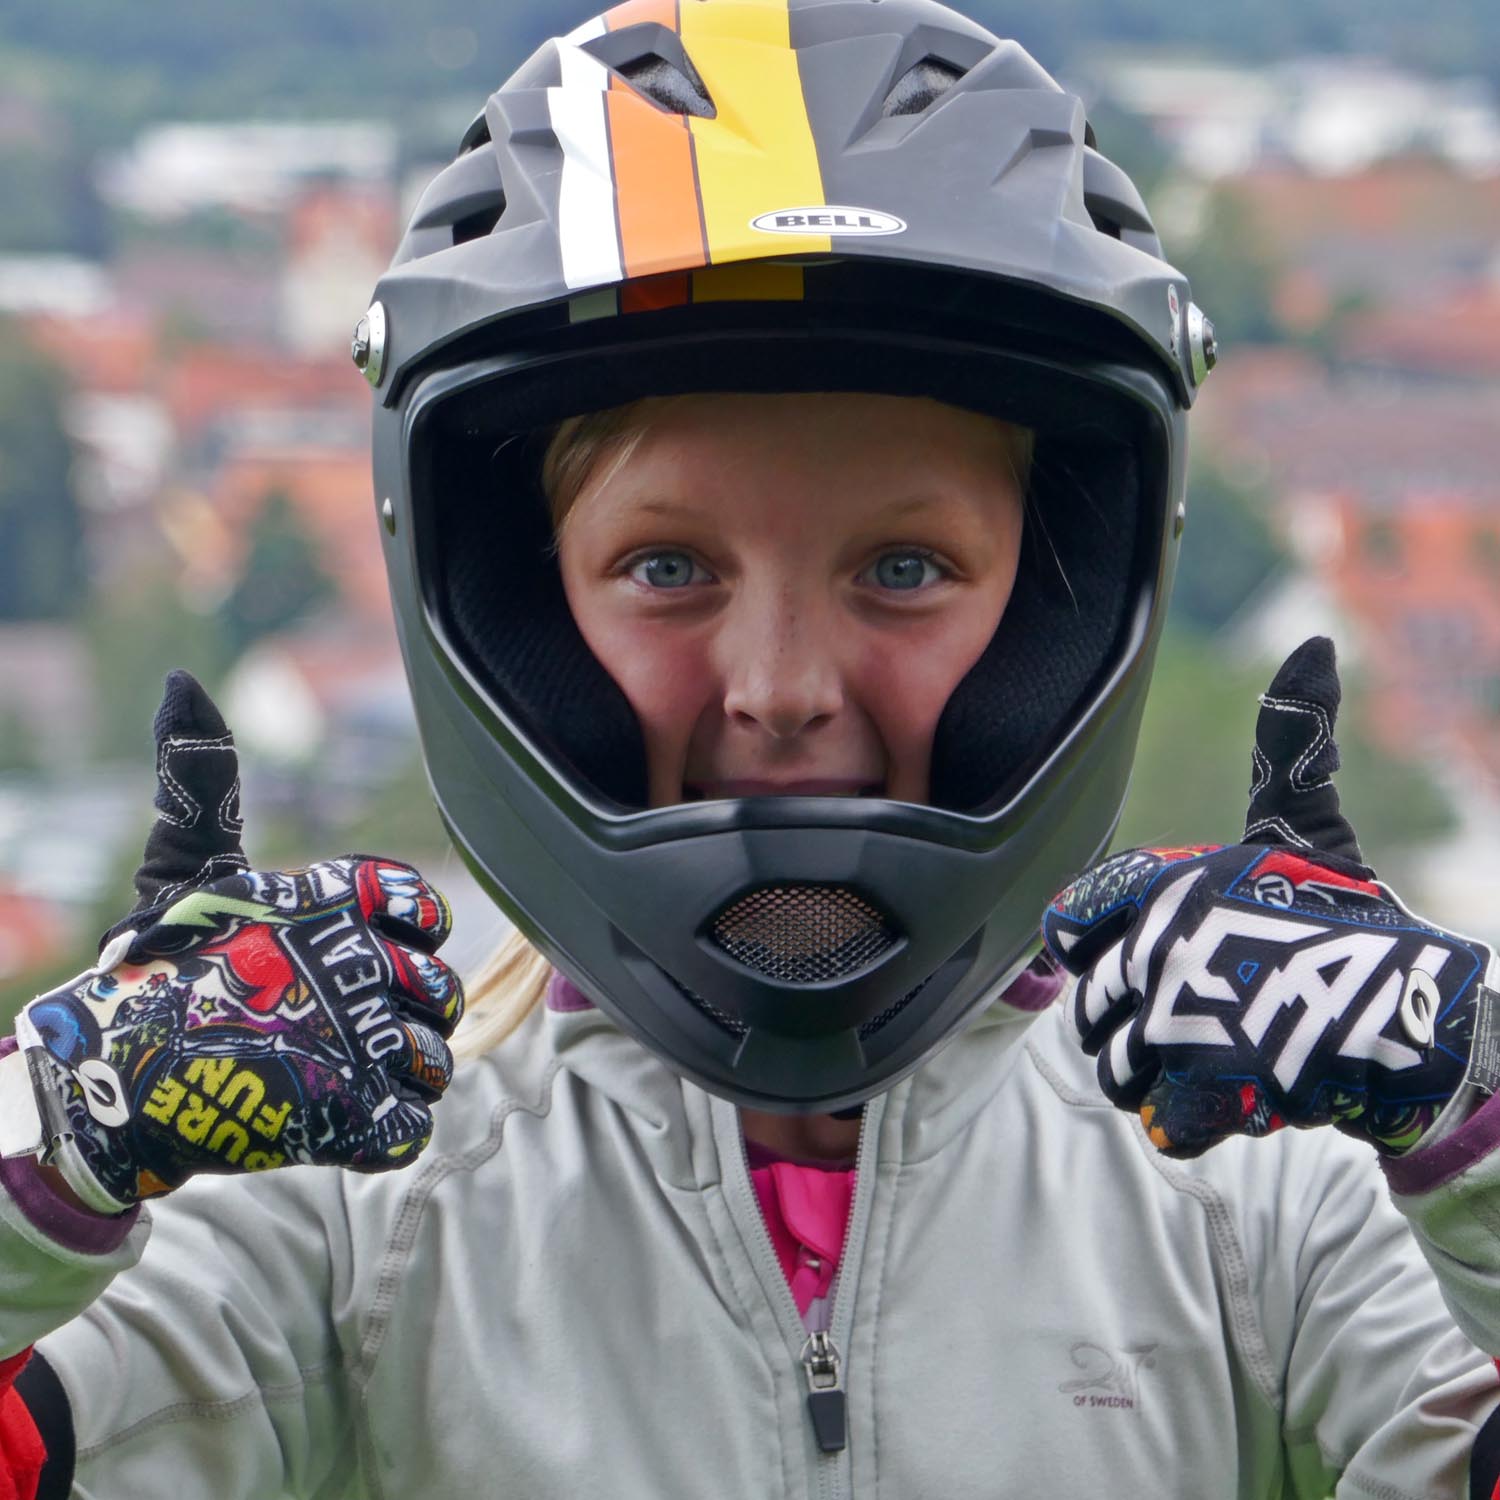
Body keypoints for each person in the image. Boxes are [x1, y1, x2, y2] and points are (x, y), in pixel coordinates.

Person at [2, 1, 1500, 1495]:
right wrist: (45, 1152)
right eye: (670, 569)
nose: (781, 689)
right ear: (517, 612)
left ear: (1067, 608)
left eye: (903, 570)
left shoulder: (1264, 1185)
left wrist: (1480, 1121)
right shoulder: (350, 1195)